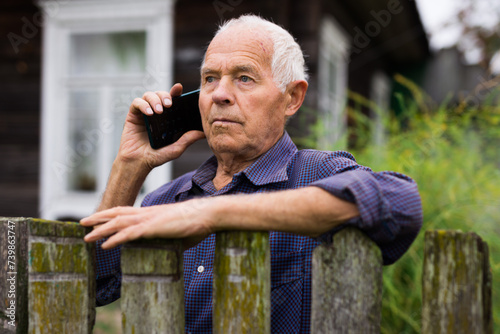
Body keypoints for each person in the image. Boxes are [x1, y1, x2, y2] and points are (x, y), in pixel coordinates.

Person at [81, 14, 422, 333]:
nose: (220, 95)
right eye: (210, 78)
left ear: (292, 98)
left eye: (244, 78)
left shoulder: (317, 173)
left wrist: (211, 214)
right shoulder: (167, 200)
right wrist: (129, 165)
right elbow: (94, 286)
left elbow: (402, 201)